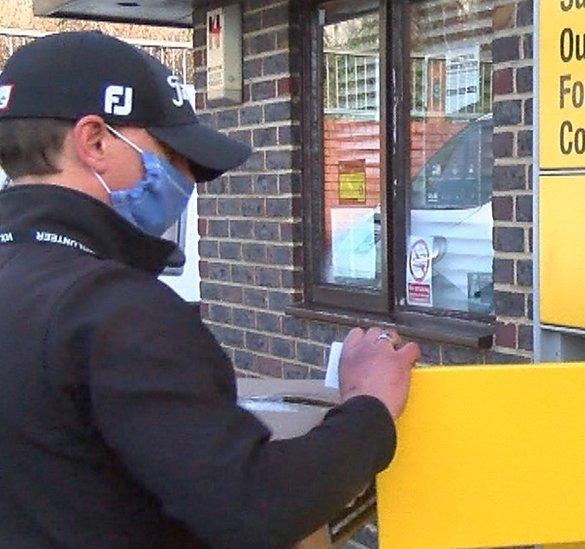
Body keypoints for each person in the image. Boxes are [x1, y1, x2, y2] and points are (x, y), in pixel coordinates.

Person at [0, 31, 418, 547]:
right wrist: (370, 406)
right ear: (96, 142)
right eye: (173, 155)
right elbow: (253, 507)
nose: (186, 180)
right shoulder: (116, 311)